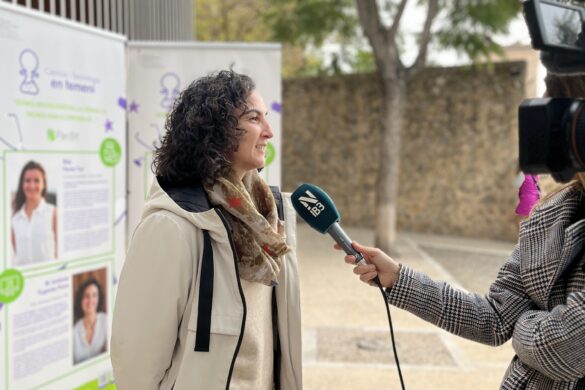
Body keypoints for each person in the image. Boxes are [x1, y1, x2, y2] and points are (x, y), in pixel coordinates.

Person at [340, 73, 585, 390]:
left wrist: (525, 323)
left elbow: (559, 348)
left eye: (556, 107)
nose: (542, 120)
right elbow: (496, 319)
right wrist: (399, 278)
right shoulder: (549, 214)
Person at [111, 70, 302, 389]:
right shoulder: (171, 225)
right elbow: (135, 359)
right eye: (254, 118)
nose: (269, 132)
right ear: (216, 128)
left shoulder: (268, 219)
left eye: (266, 118)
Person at [11, 160, 57, 266]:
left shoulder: (53, 213)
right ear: (22, 185)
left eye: (37, 181)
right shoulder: (15, 219)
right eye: (27, 180)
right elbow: (17, 252)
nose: (32, 186)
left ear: (44, 185)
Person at [73, 278, 108, 364]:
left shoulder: (106, 320)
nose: (90, 300)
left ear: (99, 299)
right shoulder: (73, 332)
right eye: (86, 296)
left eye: (94, 295)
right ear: (81, 300)